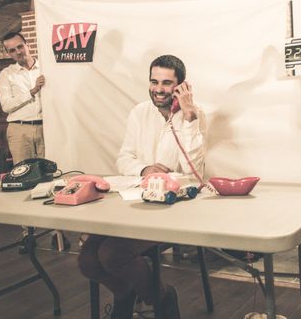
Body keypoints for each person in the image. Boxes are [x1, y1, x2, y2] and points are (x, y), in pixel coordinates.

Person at [78, 54, 206, 319]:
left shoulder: (194, 115)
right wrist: (146, 169)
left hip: (174, 208)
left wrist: (189, 116)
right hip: (135, 203)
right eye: (154, 81)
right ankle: (125, 291)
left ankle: (161, 296)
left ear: (181, 86)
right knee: (88, 259)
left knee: (113, 254)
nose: (159, 89)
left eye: (167, 83)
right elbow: (124, 158)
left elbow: (193, 170)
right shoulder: (139, 112)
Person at [0, 32, 45, 164]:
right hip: (19, 130)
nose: (18, 52)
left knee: (50, 172)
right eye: (12, 50)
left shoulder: (45, 68)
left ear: (27, 45)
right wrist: (33, 91)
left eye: (20, 46)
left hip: (46, 128)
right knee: (24, 174)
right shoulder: (6, 74)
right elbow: (6, 105)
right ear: (8, 53)